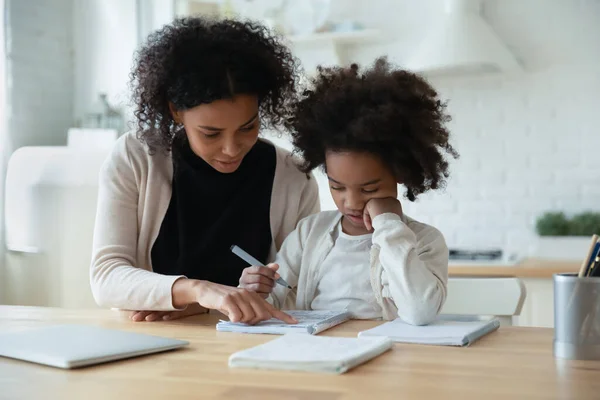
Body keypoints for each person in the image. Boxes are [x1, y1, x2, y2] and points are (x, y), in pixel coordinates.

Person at [90, 17, 319, 324]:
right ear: (175, 111)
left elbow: (301, 291)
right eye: (211, 133)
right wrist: (198, 291)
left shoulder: (293, 177)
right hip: (152, 343)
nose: (232, 148)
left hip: (251, 344)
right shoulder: (136, 158)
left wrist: (205, 304)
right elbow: (107, 277)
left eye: (248, 127)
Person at [239, 57, 459, 325]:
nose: (352, 202)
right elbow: (273, 300)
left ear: (401, 172)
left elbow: (420, 312)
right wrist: (255, 290)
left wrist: (389, 226)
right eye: (337, 186)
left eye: (369, 188)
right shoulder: (310, 233)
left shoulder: (425, 241)